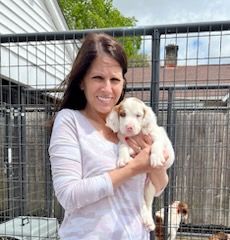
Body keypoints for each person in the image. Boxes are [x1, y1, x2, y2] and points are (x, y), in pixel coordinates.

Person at [48, 32, 170, 240]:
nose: (107, 88)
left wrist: (153, 163)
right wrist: (133, 168)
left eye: (114, 79)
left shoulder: (133, 125)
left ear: (123, 83)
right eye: (98, 78)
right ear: (81, 82)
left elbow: (158, 187)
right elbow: (68, 195)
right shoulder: (70, 121)